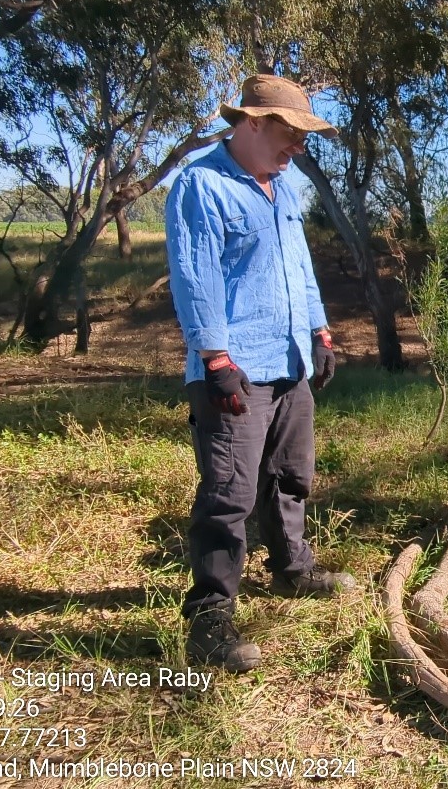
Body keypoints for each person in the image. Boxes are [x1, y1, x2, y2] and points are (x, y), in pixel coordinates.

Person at [166, 74, 356, 673]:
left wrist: (320, 332)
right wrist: (216, 359)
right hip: (236, 368)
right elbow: (197, 279)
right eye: (288, 133)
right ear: (251, 122)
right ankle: (210, 616)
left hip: (290, 361)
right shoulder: (202, 184)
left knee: (291, 475)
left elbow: (299, 267)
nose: (297, 147)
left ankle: (292, 568)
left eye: (303, 137)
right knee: (229, 493)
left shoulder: (285, 188)